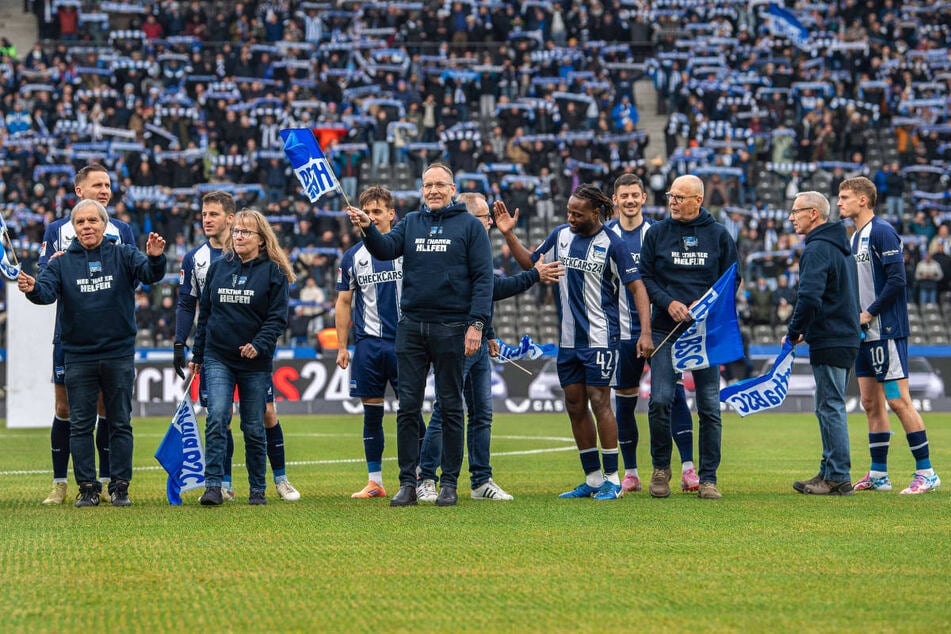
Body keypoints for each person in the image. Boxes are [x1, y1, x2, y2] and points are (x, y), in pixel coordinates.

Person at [493, 184, 654, 501]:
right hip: (568, 341)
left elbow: (638, 289)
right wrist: (509, 235)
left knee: (600, 402)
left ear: (596, 213)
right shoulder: (560, 236)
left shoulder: (613, 244)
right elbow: (532, 265)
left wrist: (645, 332)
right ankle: (593, 480)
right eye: (568, 211)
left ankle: (612, 480)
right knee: (575, 405)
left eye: (576, 214)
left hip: (601, 339)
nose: (570, 217)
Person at [346, 163, 493, 507]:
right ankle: (408, 483)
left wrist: (477, 324)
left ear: (453, 188)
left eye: (440, 184)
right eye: (428, 185)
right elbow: (383, 250)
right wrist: (368, 228)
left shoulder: (470, 227)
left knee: (452, 406)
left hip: (453, 328)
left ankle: (449, 484)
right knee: (408, 408)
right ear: (421, 189)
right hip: (411, 327)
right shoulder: (411, 223)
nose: (433, 191)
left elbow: (484, 279)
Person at [416, 192, 564, 503]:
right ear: (471, 219)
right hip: (457, 337)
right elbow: (492, 287)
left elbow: (481, 295)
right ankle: (426, 477)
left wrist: (490, 332)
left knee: (482, 413)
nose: (490, 224)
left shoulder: (477, 243)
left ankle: (481, 480)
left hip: (478, 338)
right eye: (486, 218)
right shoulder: (457, 245)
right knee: (446, 410)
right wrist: (533, 276)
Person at [19, 200, 167, 507]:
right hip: (78, 355)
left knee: (120, 423)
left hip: (118, 353)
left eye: (92, 221)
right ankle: (87, 487)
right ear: (73, 228)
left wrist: (155, 259)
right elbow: (45, 293)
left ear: (104, 224)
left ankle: (120, 486)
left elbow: (150, 274)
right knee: (81, 425)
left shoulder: (124, 253)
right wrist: (32, 288)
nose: (87, 226)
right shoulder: (60, 262)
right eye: (81, 222)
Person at [174, 191, 300, 502]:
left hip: (255, 362)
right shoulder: (218, 267)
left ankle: (258, 489)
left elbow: (277, 318)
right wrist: (198, 353)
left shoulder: (274, 273)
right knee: (217, 416)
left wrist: (258, 345)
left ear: (261, 238)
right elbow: (207, 315)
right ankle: (214, 485)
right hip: (219, 357)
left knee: (254, 425)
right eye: (238, 231)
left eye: (246, 232)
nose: (239, 236)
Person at [38, 164, 136, 505]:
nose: (106, 190)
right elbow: (46, 278)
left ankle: (110, 481)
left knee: (108, 409)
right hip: (71, 337)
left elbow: (134, 275)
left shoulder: (122, 230)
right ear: (79, 191)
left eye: (108, 185)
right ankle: (60, 482)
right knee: (66, 408)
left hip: (111, 338)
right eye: (98, 185)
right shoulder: (56, 230)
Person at [837, 177, 941, 494]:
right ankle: (879, 475)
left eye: (844, 197)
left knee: (898, 401)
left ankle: (927, 472)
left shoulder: (881, 231)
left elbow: (897, 280)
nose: (839, 203)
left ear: (863, 200)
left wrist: (869, 312)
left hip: (887, 331)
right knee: (870, 403)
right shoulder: (855, 237)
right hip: (865, 335)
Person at [638, 174, 739, 500]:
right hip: (666, 329)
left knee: (709, 406)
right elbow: (645, 278)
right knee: (661, 400)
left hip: (704, 334)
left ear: (698, 200)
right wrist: (669, 303)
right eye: (671, 196)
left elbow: (731, 280)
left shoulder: (719, 236)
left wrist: (705, 305)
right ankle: (661, 469)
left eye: (679, 197)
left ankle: (708, 478)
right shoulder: (657, 233)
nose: (672, 202)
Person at [605, 173, 699, 494]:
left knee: (672, 396)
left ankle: (688, 467)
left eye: (635, 195)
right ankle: (630, 471)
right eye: (624, 196)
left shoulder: (658, 233)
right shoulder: (606, 236)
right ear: (615, 200)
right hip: (623, 335)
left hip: (661, 331)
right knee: (626, 403)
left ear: (644, 198)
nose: (630, 200)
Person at [335, 186, 424, 499]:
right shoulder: (352, 257)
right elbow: (343, 302)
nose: (370, 217)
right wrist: (342, 346)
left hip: (406, 343)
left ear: (391, 215)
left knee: (411, 412)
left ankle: (422, 476)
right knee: (371, 414)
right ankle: (375, 481)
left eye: (377, 212)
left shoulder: (406, 248)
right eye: (366, 212)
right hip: (369, 346)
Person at [785, 191, 862, 496]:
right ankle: (830, 470)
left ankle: (838, 476)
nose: (792, 217)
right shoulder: (840, 247)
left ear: (813, 214)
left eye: (796, 211)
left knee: (829, 407)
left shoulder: (817, 249)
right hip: (844, 334)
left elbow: (809, 297)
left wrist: (794, 331)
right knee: (829, 405)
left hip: (831, 336)